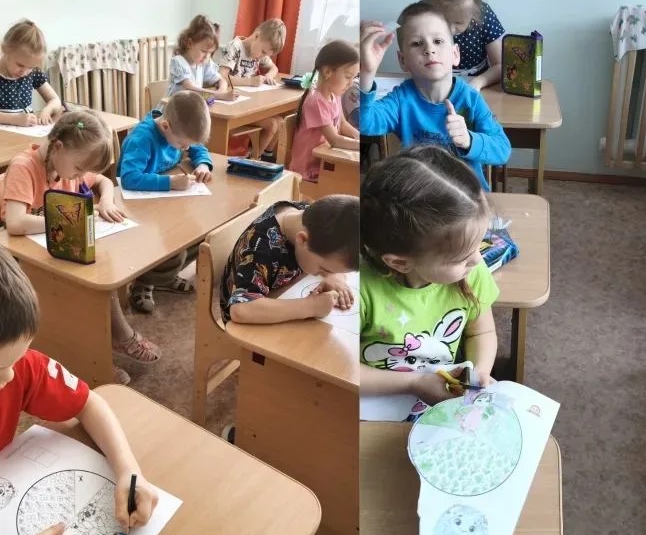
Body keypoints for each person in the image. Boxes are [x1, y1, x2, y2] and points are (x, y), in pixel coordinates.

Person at [0, 251, 159, 535]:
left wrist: (128, 470)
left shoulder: (18, 368)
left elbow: (88, 404)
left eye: (14, 360)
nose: (10, 376)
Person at [0, 112, 158, 379]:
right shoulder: (24, 167)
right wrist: (71, 219)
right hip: (16, 258)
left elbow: (103, 180)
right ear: (57, 147)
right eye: (79, 169)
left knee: (98, 268)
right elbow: (15, 223)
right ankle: (95, 354)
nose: (81, 175)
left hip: (51, 246)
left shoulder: (67, 166)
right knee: (83, 282)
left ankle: (101, 348)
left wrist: (105, 200)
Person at [360, 145, 499, 410]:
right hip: (374, 404)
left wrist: (479, 373)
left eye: (478, 246)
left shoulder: (471, 272)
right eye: (461, 257)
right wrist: (414, 383)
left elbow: (482, 331)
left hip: (440, 403)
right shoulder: (362, 288)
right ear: (400, 263)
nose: (477, 260)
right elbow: (343, 368)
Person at [357, 5, 511, 191]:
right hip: (420, 196)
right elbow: (365, 123)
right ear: (403, 60)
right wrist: (367, 73)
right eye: (417, 43)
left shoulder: (470, 99)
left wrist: (469, 140)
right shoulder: (401, 99)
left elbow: (502, 150)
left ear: (455, 54)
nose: (429, 49)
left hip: (466, 198)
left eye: (438, 41)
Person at [118, 90, 212, 314]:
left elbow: (196, 146)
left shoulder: (179, 133)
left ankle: (166, 276)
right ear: (165, 126)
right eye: (181, 145)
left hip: (164, 205)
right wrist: (169, 183)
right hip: (137, 209)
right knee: (174, 243)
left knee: (200, 235)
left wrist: (203, 163)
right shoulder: (142, 139)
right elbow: (128, 177)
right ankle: (145, 282)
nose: (185, 149)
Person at [220, 195, 359, 324]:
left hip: (281, 291)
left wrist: (334, 276)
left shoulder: (311, 219)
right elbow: (240, 310)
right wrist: (311, 307)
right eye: (324, 269)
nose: (325, 273)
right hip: (248, 324)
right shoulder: (261, 249)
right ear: (302, 240)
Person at [425, 0, 504, 91]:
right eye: (444, 21)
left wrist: (478, 82)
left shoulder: (484, 15)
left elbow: (500, 65)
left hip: (479, 87)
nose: (451, 30)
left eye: (458, 22)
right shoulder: (425, 17)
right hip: (436, 87)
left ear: (474, 12)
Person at [288, 39, 362, 182]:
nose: (351, 83)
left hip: (325, 162)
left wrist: (358, 137)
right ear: (327, 72)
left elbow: (343, 124)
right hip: (308, 171)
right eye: (348, 76)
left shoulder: (335, 95)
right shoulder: (316, 101)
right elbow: (334, 140)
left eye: (354, 77)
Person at [219, 18, 288, 160]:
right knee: (272, 124)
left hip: (247, 105)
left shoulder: (258, 51)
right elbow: (222, 76)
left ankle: (265, 158)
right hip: (231, 105)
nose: (262, 56)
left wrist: (269, 76)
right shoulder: (235, 47)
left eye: (266, 54)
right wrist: (250, 81)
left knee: (281, 122)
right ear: (256, 36)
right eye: (263, 52)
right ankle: (253, 161)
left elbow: (274, 68)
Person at [0, 21, 62, 127]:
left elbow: (55, 100)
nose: (24, 73)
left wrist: (47, 110)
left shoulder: (33, 73)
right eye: (20, 65)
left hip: (25, 132)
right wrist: (13, 119)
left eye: (30, 67)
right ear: (5, 50)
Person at [166, 15, 224, 98]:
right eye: (204, 51)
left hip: (192, 105)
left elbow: (222, 80)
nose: (206, 57)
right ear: (190, 44)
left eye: (210, 53)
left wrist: (220, 91)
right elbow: (190, 89)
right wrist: (218, 95)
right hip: (173, 106)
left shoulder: (204, 62)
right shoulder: (178, 62)